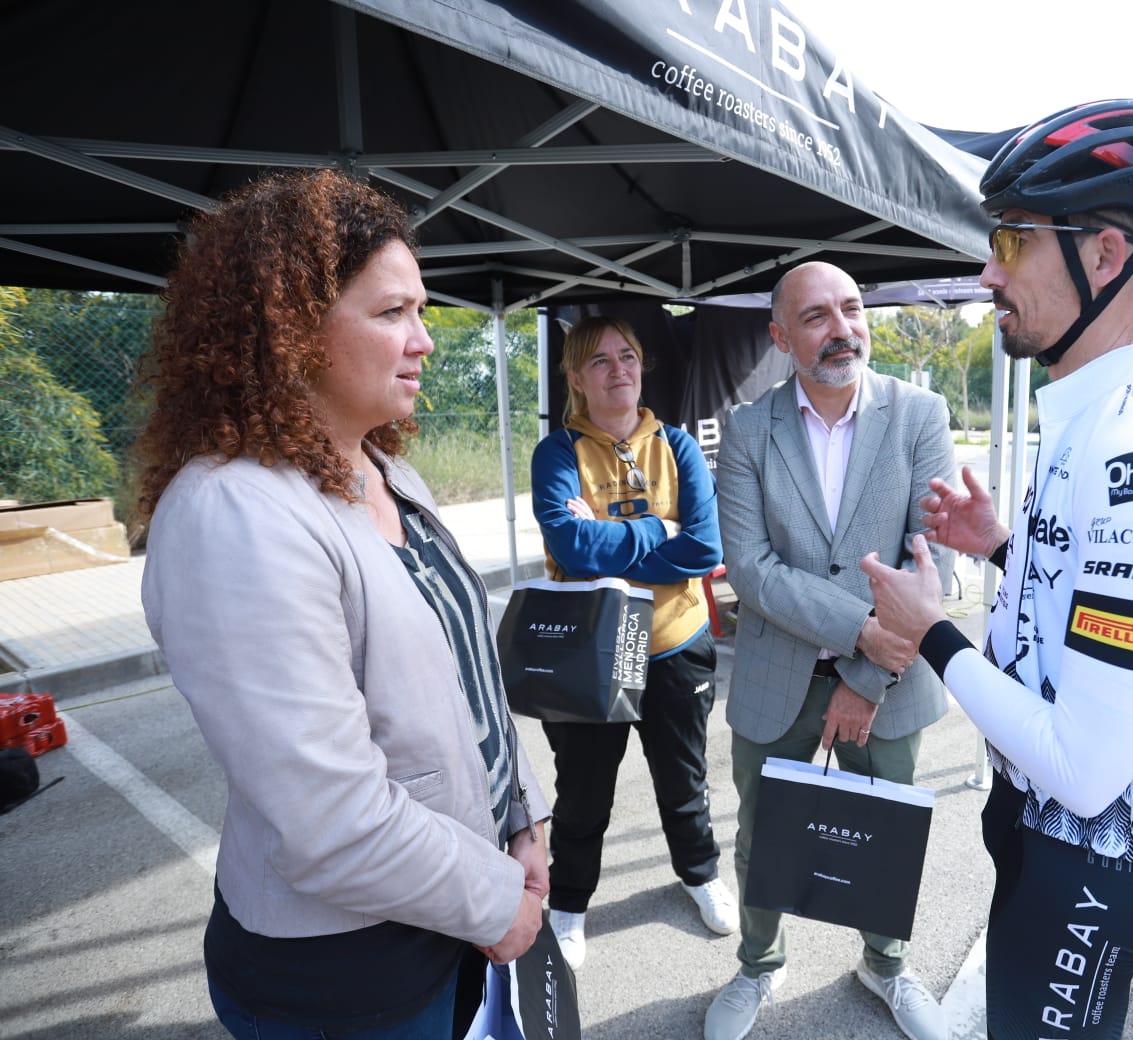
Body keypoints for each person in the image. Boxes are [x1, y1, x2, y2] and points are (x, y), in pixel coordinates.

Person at [860, 100, 1133, 1040]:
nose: (989, 270)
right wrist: (1007, 547)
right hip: (1050, 833)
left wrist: (930, 634)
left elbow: (1084, 767)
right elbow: (1113, 609)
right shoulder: (1103, 414)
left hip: (1097, 851)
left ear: (1106, 255)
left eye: (1013, 239)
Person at [137, 169, 551, 1039]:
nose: (424, 340)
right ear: (293, 331)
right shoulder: (232, 512)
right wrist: (496, 901)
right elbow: (331, 822)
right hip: (352, 971)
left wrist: (526, 816)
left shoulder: (388, 469)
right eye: (391, 312)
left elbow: (467, 676)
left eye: (421, 311)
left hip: (456, 907)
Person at [706, 260, 955, 1040]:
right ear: (781, 337)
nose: (842, 328)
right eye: (816, 316)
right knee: (762, 838)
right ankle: (758, 967)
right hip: (779, 679)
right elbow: (750, 567)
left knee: (885, 841)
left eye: (851, 309)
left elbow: (932, 563)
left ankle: (885, 966)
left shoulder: (919, 414)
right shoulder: (748, 429)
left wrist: (866, 671)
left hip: (888, 682)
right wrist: (860, 632)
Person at [530, 315, 735, 969]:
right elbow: (569, 545)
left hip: (675, 644)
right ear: (575, 379)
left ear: (642, 367)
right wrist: (658, 529)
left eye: (628, 357)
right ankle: (567, 905)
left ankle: (701, 875)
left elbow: (705, 548)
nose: (618, 370)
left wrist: (614, 540)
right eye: (599, 361)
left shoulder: (675, 444)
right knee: (584, 792)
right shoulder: (558, 453)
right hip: (596, 652)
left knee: (684, 782)